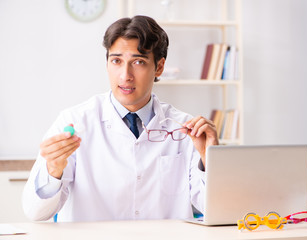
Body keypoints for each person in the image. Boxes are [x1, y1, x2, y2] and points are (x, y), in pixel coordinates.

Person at [22, 15, 219, 222]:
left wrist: (210, 159)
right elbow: (36, 213)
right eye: (116, 61)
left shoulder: (185, 129)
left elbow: (215, 210)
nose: (125, 75)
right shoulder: (74, 121)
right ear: (107, 63)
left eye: (138, 62)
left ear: (159, 67)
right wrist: (53, 171)